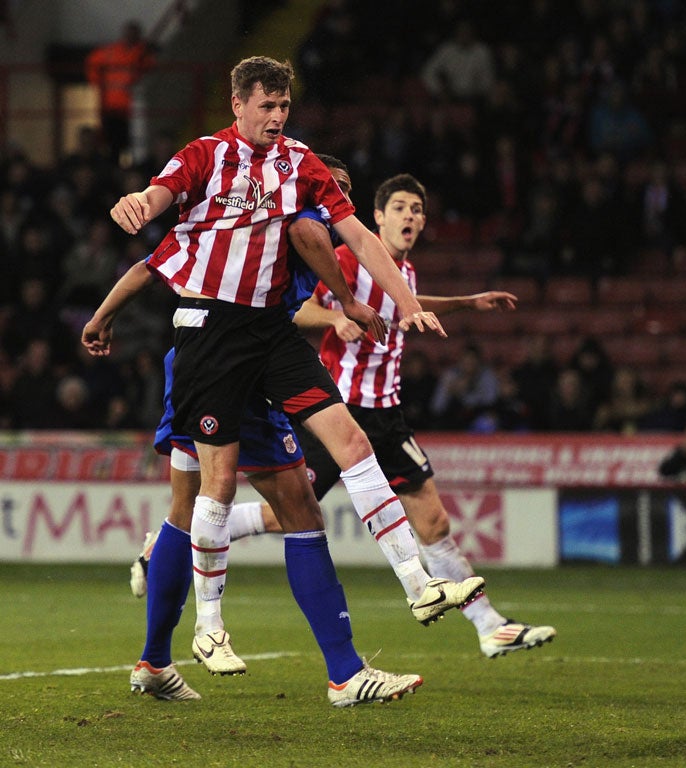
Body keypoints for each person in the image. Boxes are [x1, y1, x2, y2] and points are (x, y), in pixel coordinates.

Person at [100, 56, 455, 707]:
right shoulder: (205, 161)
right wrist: (138, 205)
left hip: (269, 339)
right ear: (237, 105)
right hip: (208, 339)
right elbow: (158, 208)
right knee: (199, 496)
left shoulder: (301, 168)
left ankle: (354, 663)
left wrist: (397, 298)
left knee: (309, 491)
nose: (276, 118)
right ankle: (189, 639)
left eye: (284, 107)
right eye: (265, 106)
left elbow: (352, 235)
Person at [294, 172, 555, 658]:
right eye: (400, 207)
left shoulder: (403, 273)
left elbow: (406, 307)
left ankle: (489, 625)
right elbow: (297, 309)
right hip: (342, 414)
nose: (410, 216)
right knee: (283, 513)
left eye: (417, 209)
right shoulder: (349, 259)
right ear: (376, 215)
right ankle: (175, 539)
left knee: (433, 522)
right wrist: (334, 318)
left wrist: (467, 302)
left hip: (387, 416)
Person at [85, 20, 156, 164]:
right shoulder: (112, 52)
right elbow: (92, 63)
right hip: (112, 108)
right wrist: (97, 83)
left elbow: (150, 70)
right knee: (113, 146)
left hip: (131, 110)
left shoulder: (142, 54)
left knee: (133, 144)